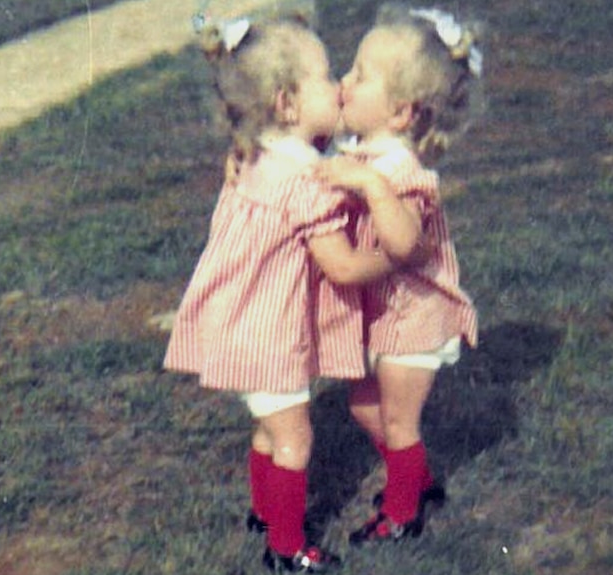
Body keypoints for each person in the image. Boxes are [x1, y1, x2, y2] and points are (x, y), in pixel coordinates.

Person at [163, 12, 410, 573]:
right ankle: (286, 546)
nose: (339, 85)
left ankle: (264, 509)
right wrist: (394, 256)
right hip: (270, 336)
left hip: (235, 325)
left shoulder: (254, 154)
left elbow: (322, 150)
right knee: (296, 440)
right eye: (326, 77)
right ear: (287, 104)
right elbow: (343, 269)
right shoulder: (305, 184)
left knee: (269, 429)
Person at [317, 5, 482, 545]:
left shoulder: (403, 173)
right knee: (364, 404)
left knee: (397, 420)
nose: (343, 83)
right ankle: (417, 478)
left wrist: (368, 186)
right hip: (380, 312)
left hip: (413, 316)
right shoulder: (366, 151)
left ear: (402, 114)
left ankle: (402, 513)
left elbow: (404, 242)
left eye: (359, 76)